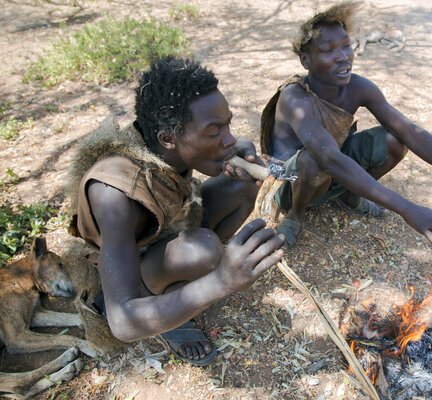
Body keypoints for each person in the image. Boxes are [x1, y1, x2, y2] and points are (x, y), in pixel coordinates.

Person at [68, 57, 285, 366]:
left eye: (228, 125)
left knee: (243, 187)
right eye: (214, 133)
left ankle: (184, 284)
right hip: (129, 275)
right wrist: (221, 281)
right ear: (168, 138)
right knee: (204, 250)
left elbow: (228, 147)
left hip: (172, 230)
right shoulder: (114, 193)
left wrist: (242, 149)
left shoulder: (163, 147)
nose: (229, 139)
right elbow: (123, 322)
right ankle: (167, 310)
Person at [260, 1, 432, 249]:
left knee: (395, 140)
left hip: (330, 167)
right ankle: (295, 214)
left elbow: (411, 131)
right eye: (328, 50)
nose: (343, 57)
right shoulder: (295, 98)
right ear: (306, 60)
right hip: (286, 178)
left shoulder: (358, 87)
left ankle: (350, 197)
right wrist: (407, 208)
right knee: (313, 161)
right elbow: (329, 159)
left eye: (346, 46)